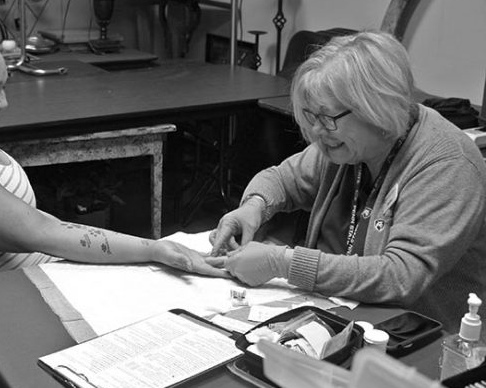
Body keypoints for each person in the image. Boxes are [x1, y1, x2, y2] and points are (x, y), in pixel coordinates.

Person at [0, 22, 227, 297]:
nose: (3, 103)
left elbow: (34, 227)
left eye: (3, 88)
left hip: (19, 285)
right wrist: (155, 249)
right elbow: (40, 230)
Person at [207, 30, 486, 331]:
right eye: (309, 117)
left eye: (326, 119)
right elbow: (283, 180)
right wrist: (253, 207)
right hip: (338, 315)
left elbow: (400, 276)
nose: (315, 132)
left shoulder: (447, 164)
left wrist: (282, 263)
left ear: (378, 107)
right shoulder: (346, 144)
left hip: (420, 342)